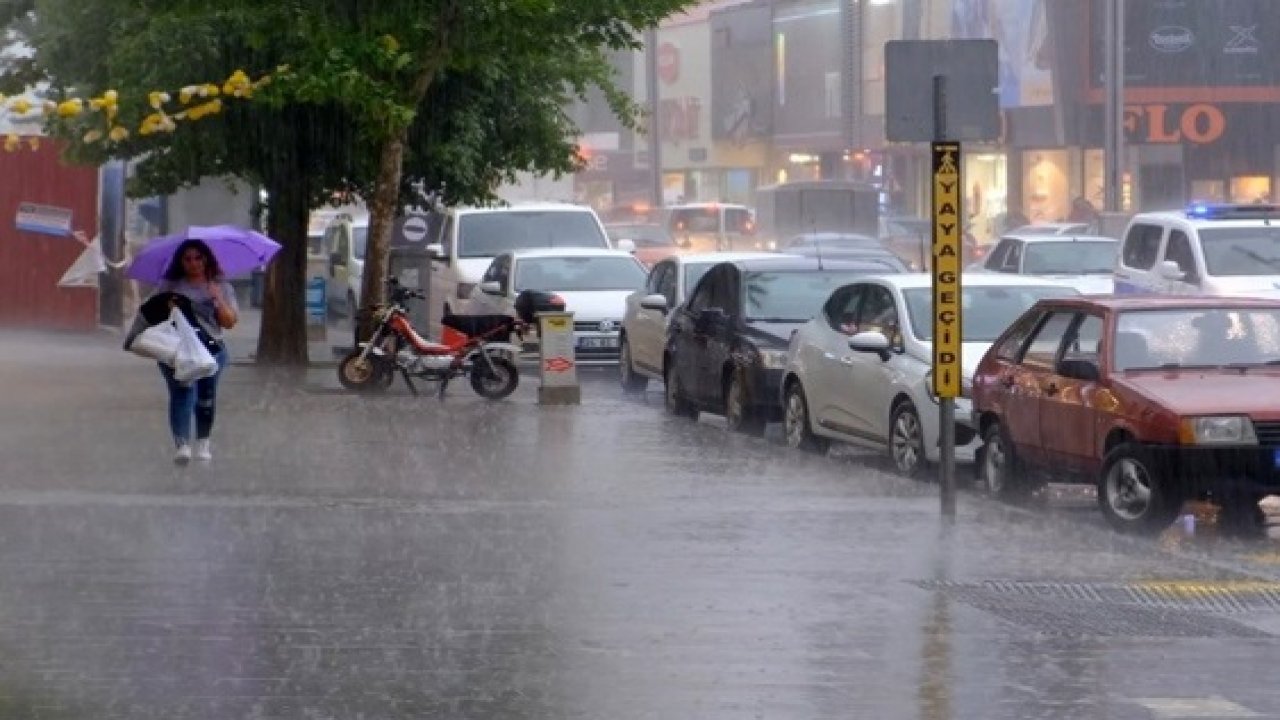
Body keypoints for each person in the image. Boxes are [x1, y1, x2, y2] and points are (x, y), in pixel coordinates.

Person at [148, 240, 239, 464]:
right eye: (187, 259)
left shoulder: (221, 286)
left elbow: (229, 322)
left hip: (211, 349)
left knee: (206, 398)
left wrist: (217, 298)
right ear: (180, 262)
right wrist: (167, 307)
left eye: (198, 258)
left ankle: (203, 443)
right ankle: (182, 445)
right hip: (176, 349)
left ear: (206, 259)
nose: (193, 263)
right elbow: (151, 316)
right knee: (182, 393)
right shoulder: (169, 286)